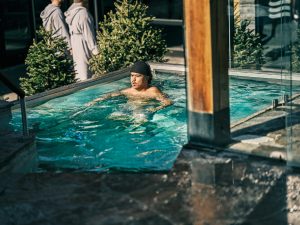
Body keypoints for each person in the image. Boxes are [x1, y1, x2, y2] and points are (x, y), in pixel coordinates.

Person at [86, 61, 172, 113]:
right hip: (129, 109)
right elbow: (110, 95)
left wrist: (155, 109)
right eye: (131, 75)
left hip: (144, 111)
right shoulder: (128, 91)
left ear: (147, 77)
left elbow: (168, 102)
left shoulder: (152, 91)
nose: (133, 79)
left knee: (140, 117)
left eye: (137, 76)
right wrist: (95, 101)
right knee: (115, 115)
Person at [65, 0, 99, 81]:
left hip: (75, 41)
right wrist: (96, 51)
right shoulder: (83, 13)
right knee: (86, 69)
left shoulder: (71, 12)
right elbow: (88, 34)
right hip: (83, 42)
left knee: (79, 69)